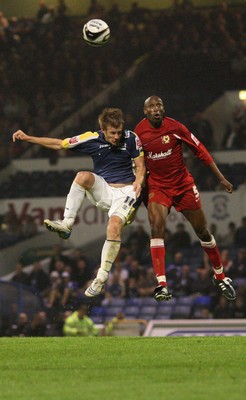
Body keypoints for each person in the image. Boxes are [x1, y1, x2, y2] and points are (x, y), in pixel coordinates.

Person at [12, 108, 145, 299]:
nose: (117, 137)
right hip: (105, 191)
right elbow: (60, 144)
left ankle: (100, 278)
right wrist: (28, 138)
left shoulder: (131, 138)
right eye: (112, 133)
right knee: (82, 176)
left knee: (114, 226)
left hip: (128, 192)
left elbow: (141, 166)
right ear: (103, 129)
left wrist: (139, 182)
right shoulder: (91, 139)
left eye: (119, 132)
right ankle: (66, 224)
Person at [134, 95, 236, 302]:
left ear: (163, 109)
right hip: (158, 187)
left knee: (203, 232)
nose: (156, 109)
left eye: (159, 105)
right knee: (156, 226)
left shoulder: (176, 127)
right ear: (145, 111)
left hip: (182, 185)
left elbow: (201, 151)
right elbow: (138, 164)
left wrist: (221, 178)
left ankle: (220, 276)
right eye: (151, 106)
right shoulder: (138, 133)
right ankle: (162, 284)